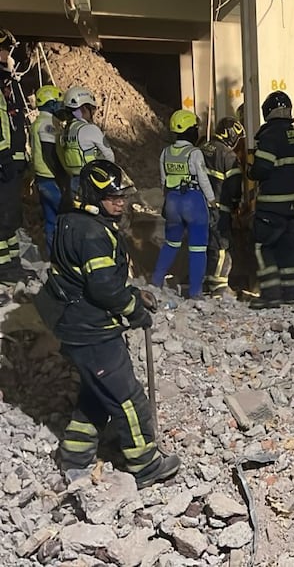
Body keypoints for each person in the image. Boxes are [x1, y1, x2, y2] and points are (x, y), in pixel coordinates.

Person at [37, 160, 180, 488]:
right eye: (112, 198)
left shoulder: (72, 222)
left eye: (121, 196)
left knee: (96, 391)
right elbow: (102, 288)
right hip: (90, 330)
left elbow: (86, 279)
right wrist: (133, 310)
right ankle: (145, 464)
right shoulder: (93, 233)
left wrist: (132, 292)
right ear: (90, 196)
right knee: (127, 397)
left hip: (74, 323)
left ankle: (73, 454)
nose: (120, 203)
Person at [247, 91, 294, 309]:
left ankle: (270, 295)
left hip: (272, 206)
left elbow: (262, 168)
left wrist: (250, 172)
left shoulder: (270, 136)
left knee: (263, 248)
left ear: (267, 112)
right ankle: (291, 295)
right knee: (288, 249)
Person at [151, 110, 215, 299]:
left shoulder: (165, 152)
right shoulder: (194, 153)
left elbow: (163, 181)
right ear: (190, 131)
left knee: (171, 243)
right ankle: (195, 292)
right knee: (197, 248)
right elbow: (203, 180)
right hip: (193, 201)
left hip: (172, 200)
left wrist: (168, 200)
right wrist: (212, 202)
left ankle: (156, 281)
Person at [201, 117, 245, 296]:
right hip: (219, 207)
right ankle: (218, 286)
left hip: (199, 206)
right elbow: (234, 185)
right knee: (220, 246)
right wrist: (235, 205)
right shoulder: (228, 156)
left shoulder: (203, 148)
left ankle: (205, 282)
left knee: (205, 245)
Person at [0, 29, 30, 283]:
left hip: (11, 162)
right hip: (3, 162)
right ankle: (4, 269)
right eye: (6, 50)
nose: (9, 56)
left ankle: (12, 263)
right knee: (2, 217)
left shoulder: (6, 82)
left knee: (9, 216)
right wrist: (4, 157)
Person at [30, 84, 68, 256]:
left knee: (51, 220)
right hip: (51, 178)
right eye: (57, 102)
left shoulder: (38, 122)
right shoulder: (47, 123)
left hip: (41, 177)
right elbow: (49, 153)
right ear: (50, 103)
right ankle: (63, 259)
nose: (60, 106)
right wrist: (63, 179)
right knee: (64, 218)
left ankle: (53, 258)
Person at [60, 86, 115, 192]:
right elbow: (109, 156)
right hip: (91, 181)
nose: (93, 113)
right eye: (92, 109)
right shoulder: (90, 129)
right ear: (85, 108)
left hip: (73, 182)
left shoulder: (66, 130)